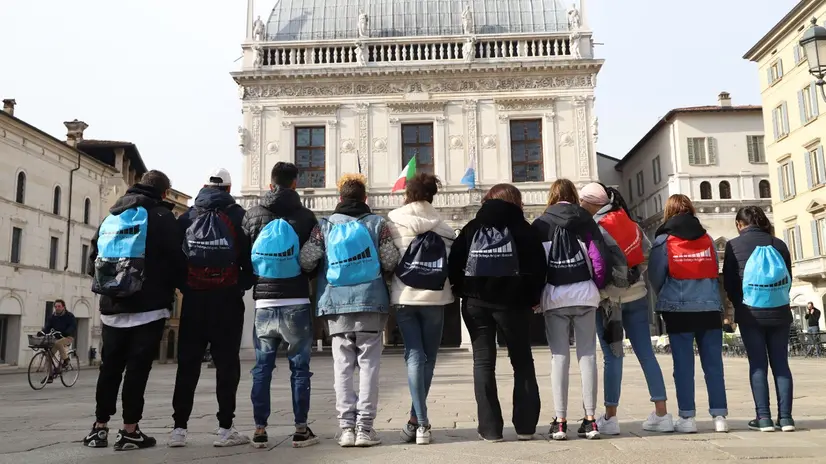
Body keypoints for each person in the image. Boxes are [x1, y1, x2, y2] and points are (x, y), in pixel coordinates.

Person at [84, 170, 187, 451]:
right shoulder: (163, 217)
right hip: (148, 308)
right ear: (165, 193)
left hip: (111, 307)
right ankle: (130, 431)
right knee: (137, 370)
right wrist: (181, 288)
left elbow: (92, 259)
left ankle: (99, 428)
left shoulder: (112, 215)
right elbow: (177, 260)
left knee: (110, 369)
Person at [299, 174, 400, 448]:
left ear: (340, 198)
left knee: (342, 367)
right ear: (365, 198)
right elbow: (391, 260)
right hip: (371, 301)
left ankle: (345, 428)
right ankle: (365, 429)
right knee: (369, 367)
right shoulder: (378, 224)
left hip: (336, 303)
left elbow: (307, 260)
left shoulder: (325, 225)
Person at [448, 184, 545, 443]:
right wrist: (533, 297)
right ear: (517, 201)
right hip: (514, 305)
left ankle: (490, 429)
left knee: (483, 363)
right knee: (522, 361)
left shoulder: (470, 228)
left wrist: (463, 290)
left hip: (476, 304)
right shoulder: (524, 229)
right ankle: (525, 427)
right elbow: (539, 268)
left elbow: (454, 263)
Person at [169, 168, 254, 448]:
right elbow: (249, 257)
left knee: (188, 365)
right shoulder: (239, 215)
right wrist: (240, 283)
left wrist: (186, 284)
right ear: (228, 189)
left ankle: (179, 429)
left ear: (204, 186)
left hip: (194, 298)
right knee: (227, 365)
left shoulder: (189, 215)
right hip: (227, 299)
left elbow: (175, 256)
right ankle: (225, 429)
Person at [578, 183, 673, 435]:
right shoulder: (631, 224)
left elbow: (594, 264)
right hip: (638, 296)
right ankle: (662, 413)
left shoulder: (596, 227)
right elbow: (646, 254)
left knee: (613, 357)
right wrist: (631, 276)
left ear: (591, 203)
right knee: (646, 355)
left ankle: (610, 418)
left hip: (610, 303)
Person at [242, 162, 320, 449]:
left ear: (270, 182)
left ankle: (260, 429)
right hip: (297, 300)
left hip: (264, 302)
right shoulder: (306, 216)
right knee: (299, 368)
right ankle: (301, 429)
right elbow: (313, 259)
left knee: (262, 367)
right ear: (295, 183)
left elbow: (244, 256)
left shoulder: (252, 215)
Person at [532, 179, 607, 441]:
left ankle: (560, 421)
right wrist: (595, 286)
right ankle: (590, 420)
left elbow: (536, 265)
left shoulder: (540, 224)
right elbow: (597, 257)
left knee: (559, 357)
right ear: (574, 196)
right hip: (585, 294)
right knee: (587, 355)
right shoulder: (585, 219)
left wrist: (536, 296)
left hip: (555, 296)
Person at [649, 194, 728, 434]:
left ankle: (687, 418)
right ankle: (720, 417)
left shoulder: (663, 241)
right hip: (710, 308)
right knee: (713, 365)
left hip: (678, 310)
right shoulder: (708, 240)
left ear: (668, 213)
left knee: (683, 366)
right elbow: (716, 270)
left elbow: (655, 276)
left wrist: (666, 294)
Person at [387, 173, 456, 445]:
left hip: (405, 295)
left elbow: (389, 258)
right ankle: (417, 420)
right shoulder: (444, 227)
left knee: (414, 356)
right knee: (429, 358)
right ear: (432, 195)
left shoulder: (393, 220)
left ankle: (420, 422)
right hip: (435, 298)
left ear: (408, 193)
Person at [722, 206, 795, 432]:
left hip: (750, 312)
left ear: (739, 224)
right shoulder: (779, 244)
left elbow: (730, 283)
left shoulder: (734, 245)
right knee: (781, 363)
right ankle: (786, 419)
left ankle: (763, 418)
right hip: (780, 311)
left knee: (758, 364)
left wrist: (738, 304)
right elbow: (788, 278)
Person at [42, 299, 77, 377]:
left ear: (63, 307)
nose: (57, 308)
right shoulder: (52, 317)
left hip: (68, 337)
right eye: (56, 306)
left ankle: (66, 360)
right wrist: (42, 332)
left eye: (59, 306)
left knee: (58, 343)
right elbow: (48, 326)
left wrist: (66, 332)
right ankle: (49, 376)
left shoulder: (69, 316)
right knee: (49, 355)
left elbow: (73, 326)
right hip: (56, 338)